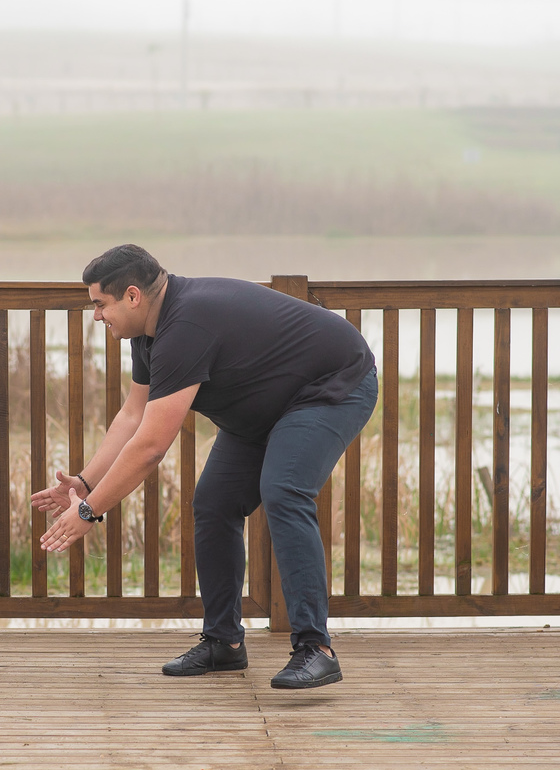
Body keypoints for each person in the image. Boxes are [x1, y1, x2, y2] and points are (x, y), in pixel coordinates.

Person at [32, 244, 377, 689]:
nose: (97, 316)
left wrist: (88, 511)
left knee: (283, 490)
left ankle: (317, 649)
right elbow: (133, 416)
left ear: (132, 296)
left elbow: (151, 447)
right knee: (214, 504)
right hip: (262, 408)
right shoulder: (147, 332)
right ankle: (224, 643)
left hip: (331, 386)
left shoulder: (186, 326)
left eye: (100, 304)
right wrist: (84, 482)